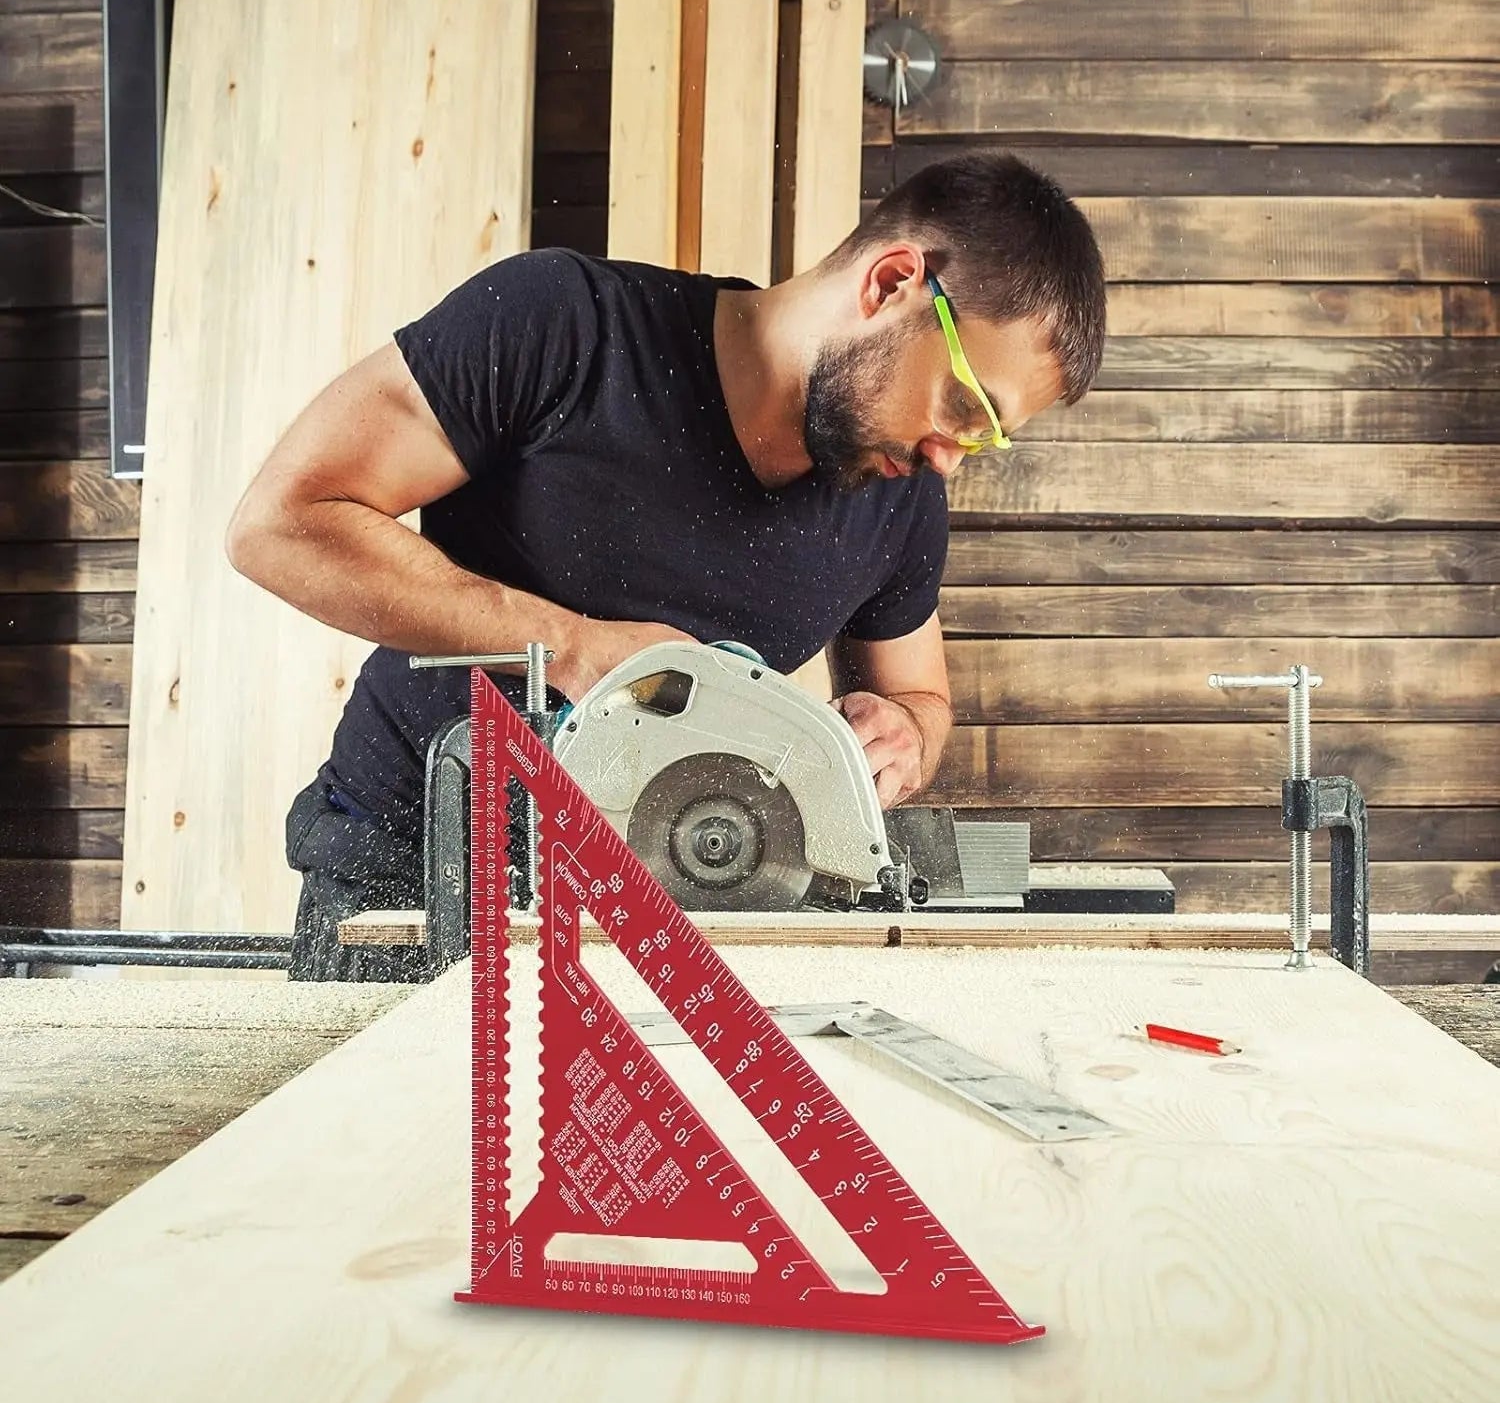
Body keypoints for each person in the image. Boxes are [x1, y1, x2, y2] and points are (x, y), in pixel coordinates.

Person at [226, 149, 1106, 982]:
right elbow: (283, 520)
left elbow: (921, 698)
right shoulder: (565, 324)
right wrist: (573, 647)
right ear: (892, 283)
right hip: (413, 883)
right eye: (964, 404)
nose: (953, 454)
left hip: (688, 906)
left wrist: (902, 736)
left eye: (987, 436)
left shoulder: (899, 492)